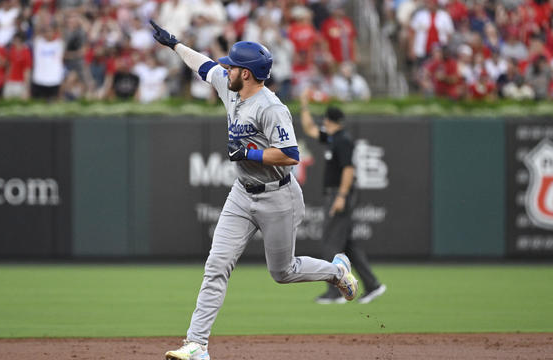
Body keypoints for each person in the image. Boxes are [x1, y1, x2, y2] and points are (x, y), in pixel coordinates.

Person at [149, 20, 359, 360]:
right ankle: (196, 344)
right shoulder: (230, 85)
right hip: (242, 194)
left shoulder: (271, 107)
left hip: (279, 195)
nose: (225, 68)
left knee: (283, 272)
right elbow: (203, 65)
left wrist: (251, 153)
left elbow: (291, 155)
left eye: (232, 65)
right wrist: (174, 45)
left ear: (245, 73)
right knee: (216, 264)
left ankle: (337, 271)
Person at [299, 91, 386, 305]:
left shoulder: (343, 141)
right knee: (347, 245)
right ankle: (373, 284)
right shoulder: (332, 137)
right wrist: (304, 106)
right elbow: (309, 129)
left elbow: (348, 170)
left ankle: (335, 291)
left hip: (339, 194)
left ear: (329, 120)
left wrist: (341, 196)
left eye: (325, 120)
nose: (323, 123)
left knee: (331, 243)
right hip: (337, 194)